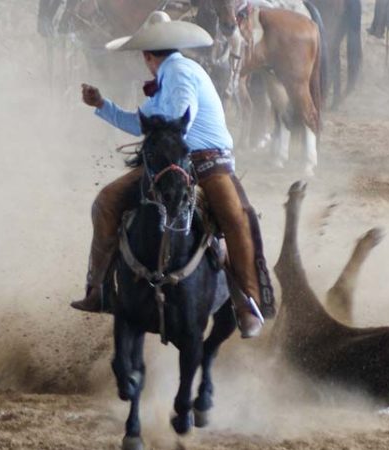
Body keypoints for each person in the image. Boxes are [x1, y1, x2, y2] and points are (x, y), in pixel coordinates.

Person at [72, 12, 272, 338]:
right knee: (108, 201)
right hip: (172, 160)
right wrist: (102, 105)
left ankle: (246, 302)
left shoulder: (178, 73)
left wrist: (168, 142)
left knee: (235, 218)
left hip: (206, 163)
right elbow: (141, 122)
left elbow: (181, 117)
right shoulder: (169, 78)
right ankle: (100, 289)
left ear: (147, 56)